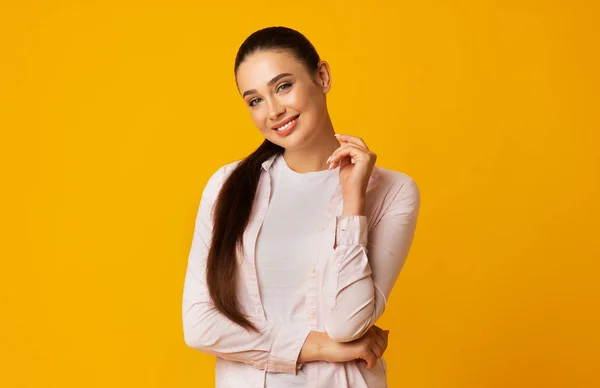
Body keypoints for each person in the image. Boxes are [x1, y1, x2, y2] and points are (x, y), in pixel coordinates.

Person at [182, 26, 420, 388]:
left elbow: (347, 323)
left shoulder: (392, 190)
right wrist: (320, 347)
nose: (274, 110)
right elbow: (200, 326)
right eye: (255, 100)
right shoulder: (227, 186)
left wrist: (353, 201)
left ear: (322, 76)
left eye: (283, 86)